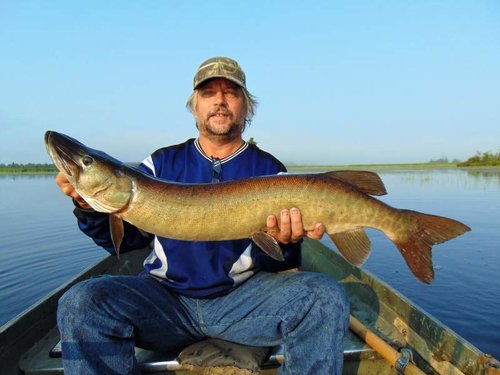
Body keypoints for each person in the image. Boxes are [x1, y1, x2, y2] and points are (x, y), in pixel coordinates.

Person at [55, 56, 349, 374]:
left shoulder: (269, 171)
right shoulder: (159, 164)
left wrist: (286, 242)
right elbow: (124, 243)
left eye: (231, 93)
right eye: (209, 93)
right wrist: (87, 207)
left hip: (241, 302)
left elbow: (278, 262)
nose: (220, 101)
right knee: (80, 302)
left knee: (325, 297)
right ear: (194, 106)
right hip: (165, 302)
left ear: (246, 106)